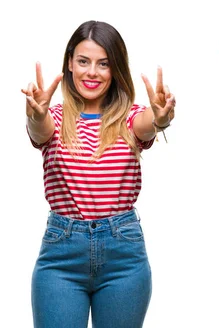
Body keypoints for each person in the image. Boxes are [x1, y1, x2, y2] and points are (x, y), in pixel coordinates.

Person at [24, 20, 175, 328]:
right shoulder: (52, 117)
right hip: (61, 256)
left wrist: (161, 117)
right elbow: (40, 131)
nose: (92, 72)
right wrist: (35, 114)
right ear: (69, 63)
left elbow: (150, 123)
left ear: (115, 69)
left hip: (124, 258)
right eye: (83, 61)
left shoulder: (130, 118)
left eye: (103, 64)